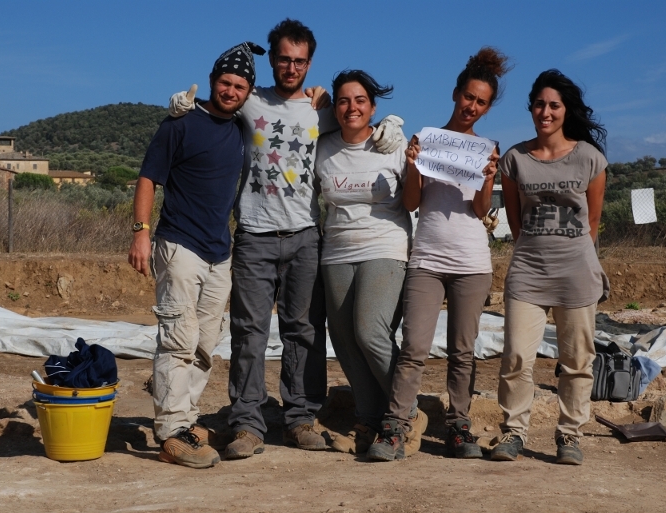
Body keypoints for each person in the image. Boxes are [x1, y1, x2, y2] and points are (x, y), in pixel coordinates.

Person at [168, 19, 405, 460]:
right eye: (283, 59)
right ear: (273, 60)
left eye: (299, 61)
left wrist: (392, 120)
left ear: (309, 63)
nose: (291, 67)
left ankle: (300, 418)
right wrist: (187, 107)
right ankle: (247, 423)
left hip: (304, 237)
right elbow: (220, 102)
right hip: (255, 236)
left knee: (304, 332)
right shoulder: (250, 102)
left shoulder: (323, 110)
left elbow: (361, 116)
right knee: (249, 332)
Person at [366, 48, 509, 462]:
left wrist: (488, 179)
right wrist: (414, 166)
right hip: (426, 259)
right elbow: (412, 202)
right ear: (455, 93)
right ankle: (394, 428)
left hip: (471, 264)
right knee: (413, 348)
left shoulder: (487, 148)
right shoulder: (427, 141)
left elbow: (481, 211)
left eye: (481, 102)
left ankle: (458, 427)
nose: (472, 107)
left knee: (464, 351)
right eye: (468, 97)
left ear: (487, 107)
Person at [127, 41, 263, 469]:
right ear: (212, 80)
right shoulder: (179, 124)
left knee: (206, 342)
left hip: (219, 252)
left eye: (240, 86)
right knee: (178, 338)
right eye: (225, 82)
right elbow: (149, 178)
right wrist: (140, 233)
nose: (231, 91)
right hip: (179, 244)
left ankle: (186, 418)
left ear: (247, 91)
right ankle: (170, 431)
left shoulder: (242, 126)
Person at [491, 69, 609, 466]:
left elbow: (591, 224)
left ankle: (569, 436)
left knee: (577, 361)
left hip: (576, 271)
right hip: (528, 271)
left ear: (565, 110)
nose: (545, 111)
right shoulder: (515, 159)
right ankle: (513, 433)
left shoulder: (590, 158)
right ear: (531, 109)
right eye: (539, 104)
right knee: (516, 358)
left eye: (553, 105)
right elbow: (515, 220)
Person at [314, 70, 421, 457]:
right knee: (342, 338)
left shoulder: (390, 145)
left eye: (360, 100)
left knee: (369, 330)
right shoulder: (322, 146)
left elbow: (413, 199)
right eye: (343, 101)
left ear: (373, 107)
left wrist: (400, 134)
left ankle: (406, 412)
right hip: (337, 250)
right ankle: (370, 417)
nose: (351, 107)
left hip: (385, 245)